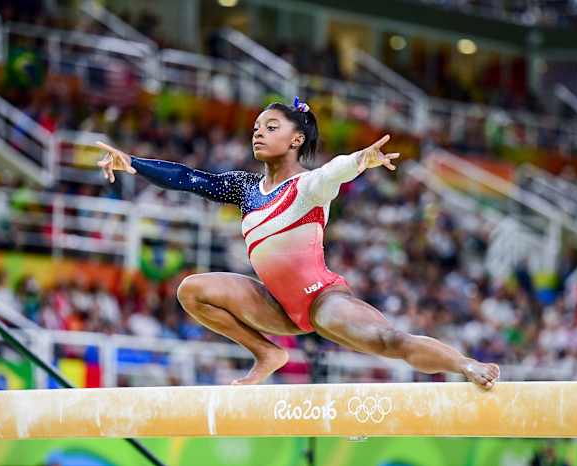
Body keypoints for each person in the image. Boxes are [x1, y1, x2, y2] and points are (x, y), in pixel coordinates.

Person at [97, 98, 500, 388]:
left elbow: (332, 173)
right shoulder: (244, 187)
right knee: (192, 290)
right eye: (256, 128)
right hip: (276, 308)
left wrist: (361, 160)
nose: (259, 133)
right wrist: (132, 163)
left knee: (388, 341)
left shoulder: (306, 187)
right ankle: (268, 354)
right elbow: (192, 180)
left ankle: (465, 364)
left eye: (271, 127)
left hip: (322, 300)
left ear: (296, 139)